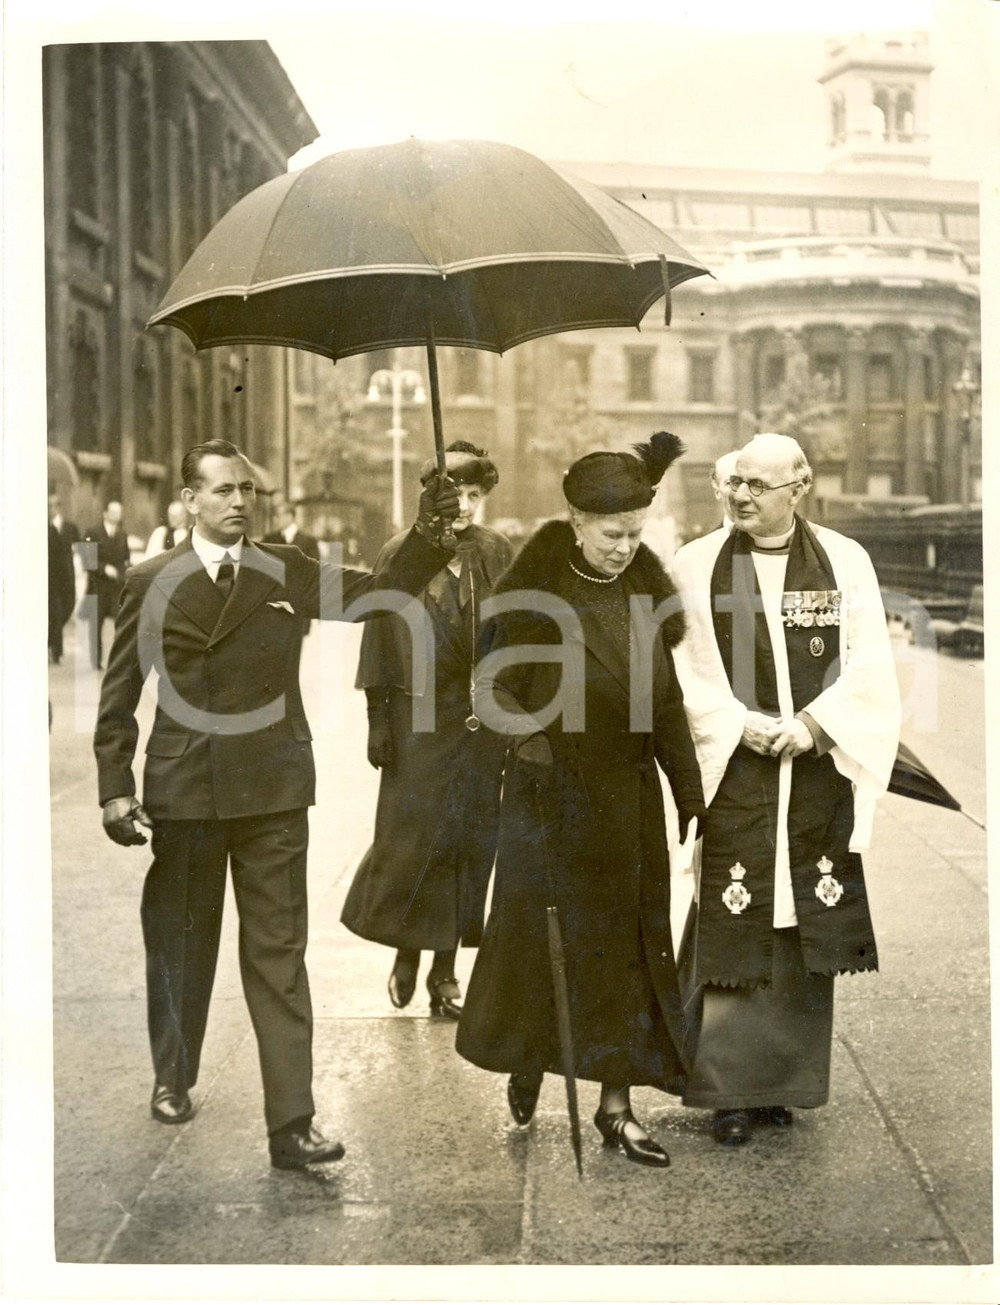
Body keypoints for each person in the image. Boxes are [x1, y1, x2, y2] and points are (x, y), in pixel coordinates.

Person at [93, 439, 459, 1170]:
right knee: (181, 943)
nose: (239, 501)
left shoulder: (285, 568)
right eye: (222, 490)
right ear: (189, 500)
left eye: (246, 490)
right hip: (186, 793)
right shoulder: (149, 580)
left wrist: (428, 530)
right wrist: (115, 787)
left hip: (273, 790)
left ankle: (293, 1122)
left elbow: (381, 589)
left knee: (279, 954)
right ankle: (173, 1075)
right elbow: (120, 691)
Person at [456, 432, 706, 1168]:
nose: (625, 548)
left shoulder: (643, 595)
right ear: (575, 520)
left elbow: (664, 702)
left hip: (627, 804)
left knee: (627, 951)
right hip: (548, 800)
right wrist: (528, 738)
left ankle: (616, 1108)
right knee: (543, 947)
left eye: (635, 533)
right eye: (611, 534)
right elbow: (487, 688)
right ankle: (529, 1058)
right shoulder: (533, 597)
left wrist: (687, 787)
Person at [670, 433, 900, 1147]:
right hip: (736, 762)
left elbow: (869, 663)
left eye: (758, 486)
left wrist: (812, 725)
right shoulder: (696, 564)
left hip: (812, 766)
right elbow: (679, 669)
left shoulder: (844, 560)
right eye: (735, 482)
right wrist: (735, 722)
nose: (740, 496)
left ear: (799, 489)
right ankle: (728, 1092)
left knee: (802, 911)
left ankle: (784, 1086)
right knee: (735, 903)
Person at [342, 441, 513, 1017]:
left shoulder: (496, 552)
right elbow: (377, 636)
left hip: (480, 723)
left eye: (473, 495)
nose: (463, 507)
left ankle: (445, 970)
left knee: (469, 842)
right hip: (416, 720)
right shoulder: (400, 552)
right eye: (452, 495)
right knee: (413, 841)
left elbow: (517, 634)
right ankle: (407, 950)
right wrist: (377, 721)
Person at [84, 500, 131, 670]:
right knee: (96, 626)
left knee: (121, 624)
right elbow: (87, 560)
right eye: (114, 512)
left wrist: (125, 572)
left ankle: (118, 662)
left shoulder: (122, 534)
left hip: (116, 588)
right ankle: (96, 661)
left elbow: (126, 558)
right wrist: (104, 568)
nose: (117, 516)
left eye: (119, 512)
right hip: (97, 587)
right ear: (105, 514)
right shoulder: (93, 532)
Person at [263, 500, 321, 637]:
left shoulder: (308, 541)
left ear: (289, 516)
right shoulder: (269, 539)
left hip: (299, 603)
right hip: (275, 602)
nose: (275, 519)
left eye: (278, 515)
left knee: (296, 642)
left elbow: (314, 573)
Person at [48, 491, 80, 664]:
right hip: (52, 578)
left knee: (68, 606)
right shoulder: (44, 528)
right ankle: (57, 652)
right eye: (48, 506)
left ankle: (49, 640)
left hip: (68, 577)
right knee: (56, 612)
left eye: (53, 505)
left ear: (59, 507)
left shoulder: (70, 527)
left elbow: (80, 549)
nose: (50, 509)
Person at [709, 450, 740, 527]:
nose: (744, 494)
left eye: (754, 483)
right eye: (734, 483)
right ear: (717, 491)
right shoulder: (716, 535)